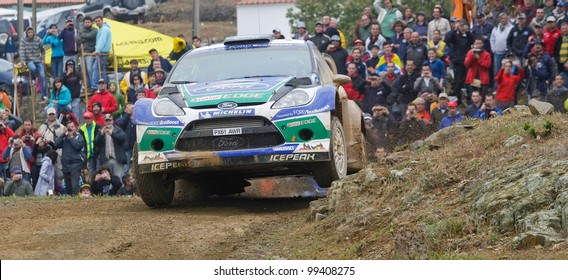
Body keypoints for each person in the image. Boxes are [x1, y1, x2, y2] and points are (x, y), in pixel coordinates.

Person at [53, 121, 86, 195]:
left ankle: (75, 201)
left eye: (72, 127)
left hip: (75, 164)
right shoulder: (64, 137)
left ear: (76, 128)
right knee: (68, 186)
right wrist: (62, 135)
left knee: (75, 186)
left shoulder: (79, 136)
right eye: (69, 127)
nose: (70, 129)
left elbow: (77, 146)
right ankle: (69, 202)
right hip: (66, 165)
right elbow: (56, 145)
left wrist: (71, 137)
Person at [447, 19, 475, 104]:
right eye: (461, 26)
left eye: (463, 26)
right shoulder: (455, 34)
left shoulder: (468, 35)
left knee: (468, 81)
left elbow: (473, 40)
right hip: (458, 62)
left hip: (467, 61)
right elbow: (447, 39)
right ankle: (457, 100)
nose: (462, 28)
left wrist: (467, 31)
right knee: (458, 81)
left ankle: (470, 99)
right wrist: (455, 29)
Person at [94, 114, 126, 179]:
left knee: (119, 179)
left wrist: (112, 134)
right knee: (107, 179)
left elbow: (123, 138)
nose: (108, 122)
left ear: (113, 121)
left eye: (109, 120)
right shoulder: (101, 130)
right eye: (106, 121)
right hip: (106, 160)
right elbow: (96, 143)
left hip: (117, 159)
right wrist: (101, 134)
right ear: (104, 122)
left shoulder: (118, 129)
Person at [20, 26, 47, 100]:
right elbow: (22, 51)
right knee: (33, 68)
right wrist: (22, 61)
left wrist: (43, 59)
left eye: (31, 32)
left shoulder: (38, 39)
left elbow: (43, 50)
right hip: (29, 60)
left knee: (43, 76)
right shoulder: (23, 40)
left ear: (33, 33)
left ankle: (44, 95)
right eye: (29, 32)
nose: (30, 34)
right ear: (27, 33)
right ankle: (33, 78)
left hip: (38, 60)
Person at [490, 13, 514, 79]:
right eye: (500, 18)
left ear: (507, 18)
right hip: (497, 53)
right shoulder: (495, 28)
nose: (502, 20)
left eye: (504, 18)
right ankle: (497, 87)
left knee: (508, 71)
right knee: (497, 71)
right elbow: (492, 39)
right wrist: (493, 49)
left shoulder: (511, 28)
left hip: (507, 53)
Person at [77, 16, 98, 90]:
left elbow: (91, 36)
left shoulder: (95, 30)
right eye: (85, 22)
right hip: (82, 53)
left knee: (90, 69)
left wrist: (83, 37)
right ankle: (87, 86)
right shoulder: (80, 30)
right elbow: (78, 40)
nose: (87, 24)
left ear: (91, 23)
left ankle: (93, 86)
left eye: (88, 22)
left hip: (90, 53)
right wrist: (85, 38)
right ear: (83, 23)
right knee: (83, 71)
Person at [79, 111, 101, 178]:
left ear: (92, 119)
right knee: (91, 172)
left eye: (88, 118)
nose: (87, 120)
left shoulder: (98, 127)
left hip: (97, 153)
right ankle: (92, 185)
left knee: (98, 171)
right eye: (86, 118)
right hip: (89, 155)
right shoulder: (81, 129)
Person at [116, 103, 135, 176]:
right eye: (128, 108)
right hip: (126, 148)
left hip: (136, 147)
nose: (130, 109)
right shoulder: (122, 119)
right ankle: (124, 184)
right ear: (125, 110)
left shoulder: (138, 119)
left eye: (132, 107)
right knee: (126, 168)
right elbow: (120, 125)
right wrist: (127, 115)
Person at [92, 16, 112, 86]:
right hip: (103, 52)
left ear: (102, 21)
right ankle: (104, 84)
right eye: (96, 21)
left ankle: (95, 86)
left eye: (99, 21)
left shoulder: (104, 29)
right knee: (102, 69)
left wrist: (97, 50)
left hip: (102, 52)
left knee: (96, 68)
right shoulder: (102, 29)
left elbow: (102, 41)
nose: (97, 22)